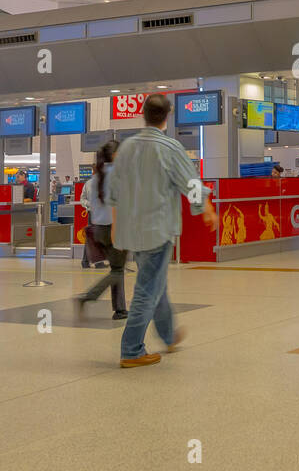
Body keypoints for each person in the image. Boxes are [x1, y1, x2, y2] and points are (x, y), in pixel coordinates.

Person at [107, 93, 217, 368]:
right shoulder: (170, 147)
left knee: (155, 283)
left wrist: (115, 227)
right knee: (147, 289)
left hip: (132, 231)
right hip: (158, 230)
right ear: (168, 116)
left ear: (143, 114)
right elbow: (190, 184)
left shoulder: (127, 148)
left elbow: (114, 192)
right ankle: (131, 350)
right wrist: (207, 208)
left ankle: (168, 335)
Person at [75, 140, 128, 320]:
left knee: (116, 268)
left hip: (98, 228)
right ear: (115, 155)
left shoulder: (95, 178)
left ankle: (120, 309)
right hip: (114, 227)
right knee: (117, 270)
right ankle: (89, 296)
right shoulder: (118, 175)